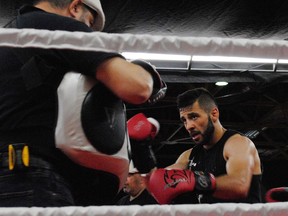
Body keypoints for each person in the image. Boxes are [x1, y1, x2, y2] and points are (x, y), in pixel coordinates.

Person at [0, 0, 165, 207]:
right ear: (75, 7)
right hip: (34, 181)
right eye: (88, 23)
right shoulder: (60, 27)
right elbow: (137, 87)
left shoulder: (7, 37)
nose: (86, 31)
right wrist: (146, 72)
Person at [133, 88, 262, 204]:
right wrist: (142, 149)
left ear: (214, 114)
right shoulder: (189, 156)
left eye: (193, 117)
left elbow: (240, 185)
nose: (189, 126)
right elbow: (156, 182)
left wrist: (196, 181)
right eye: (184, 120)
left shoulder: (237, 143)